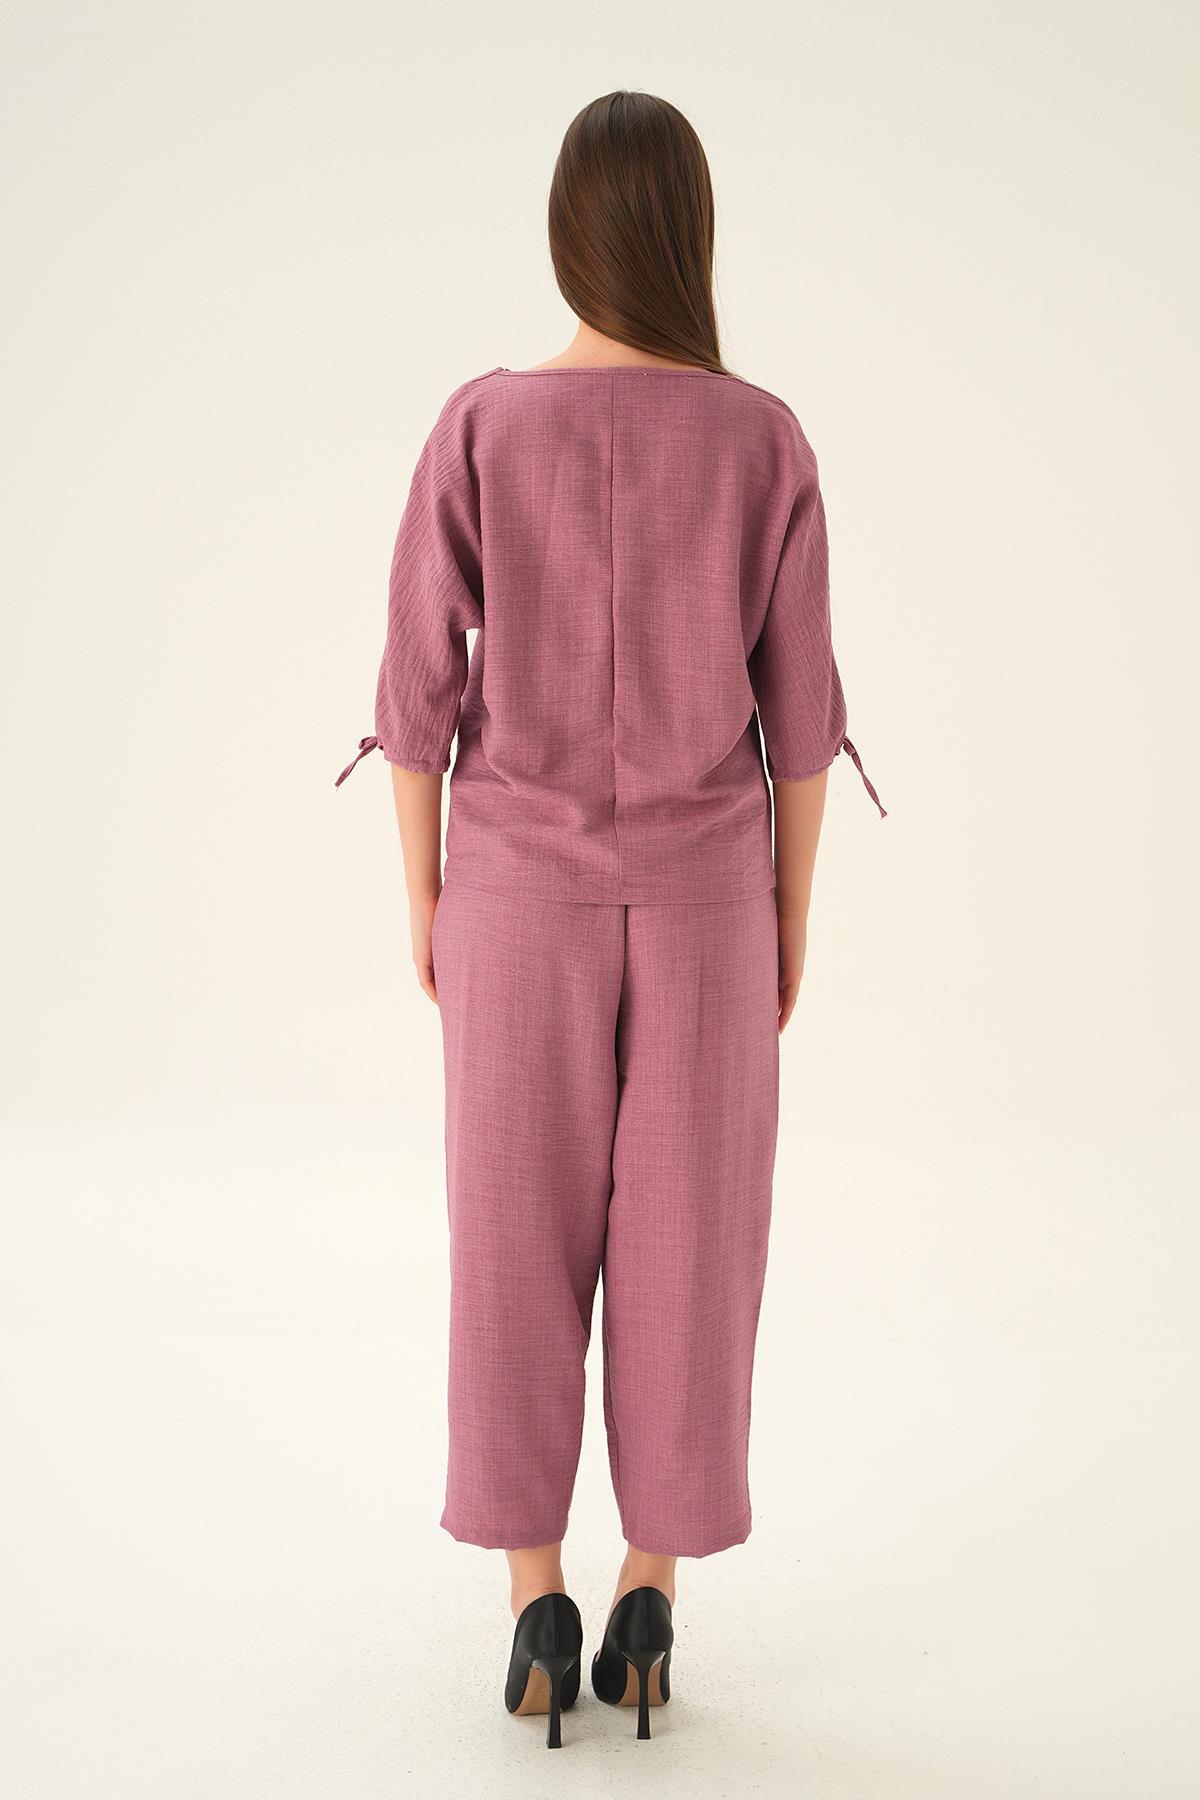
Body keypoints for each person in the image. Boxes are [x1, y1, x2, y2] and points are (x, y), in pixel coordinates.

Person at [334, 88, 885, 1749]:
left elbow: (416, 692)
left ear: (568, 233)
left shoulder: (483, 426)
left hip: (515, 900)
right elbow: (801, 721)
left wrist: (427, 896)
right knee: (692, 1247)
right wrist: (789, 920)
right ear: (691, 233)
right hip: (711, 906)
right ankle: (650, 1591)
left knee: (512, 1241)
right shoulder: (763, 440)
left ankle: (535, 1602)